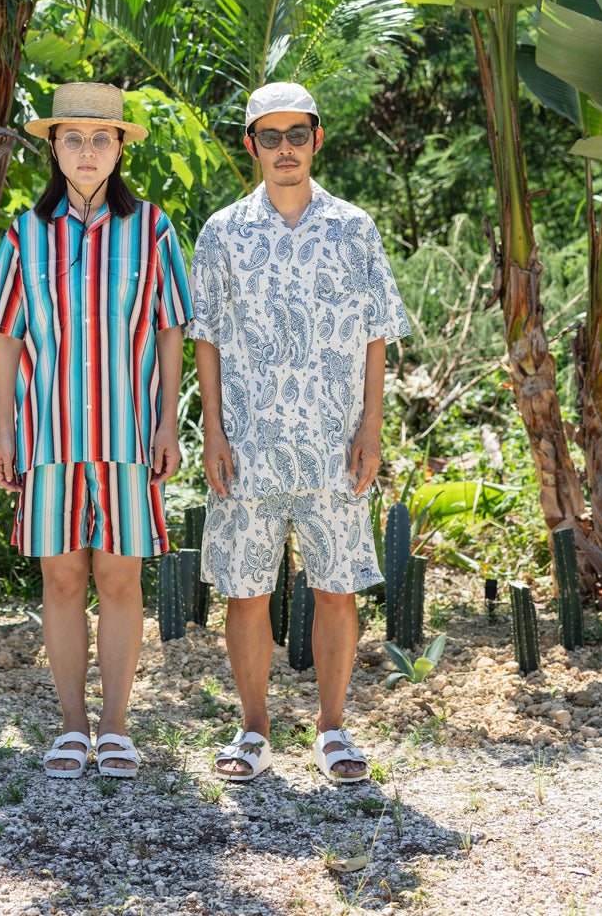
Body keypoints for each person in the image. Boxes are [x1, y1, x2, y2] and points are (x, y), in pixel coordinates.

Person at [187, 81, 410, 782]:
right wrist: (213, 432)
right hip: (247, 445)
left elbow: (377, 333)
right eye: (270, 137)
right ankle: (252, 730)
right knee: (246, 592)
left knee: (336, 588)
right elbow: (207, 339)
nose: (285, 150)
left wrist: (371, 428)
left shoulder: (355, 229)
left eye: (297, 135)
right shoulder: (222, 232)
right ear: (251, 145)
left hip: (334, 445)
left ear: (317, 140)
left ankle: (333, 729)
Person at [0, 82, 193, 779]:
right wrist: (5, 430)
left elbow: (170, 329)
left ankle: (118, 728)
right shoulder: (25, 233)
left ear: (121, 147)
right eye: (74, 138)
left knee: (120, 580)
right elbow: (7, 336)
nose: (88, 151)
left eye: (102, 139)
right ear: (55, 148)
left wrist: (167, 422)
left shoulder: (152, 227)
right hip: (48, 436)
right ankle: (72, 728)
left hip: (129, 437)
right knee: (63, 579)